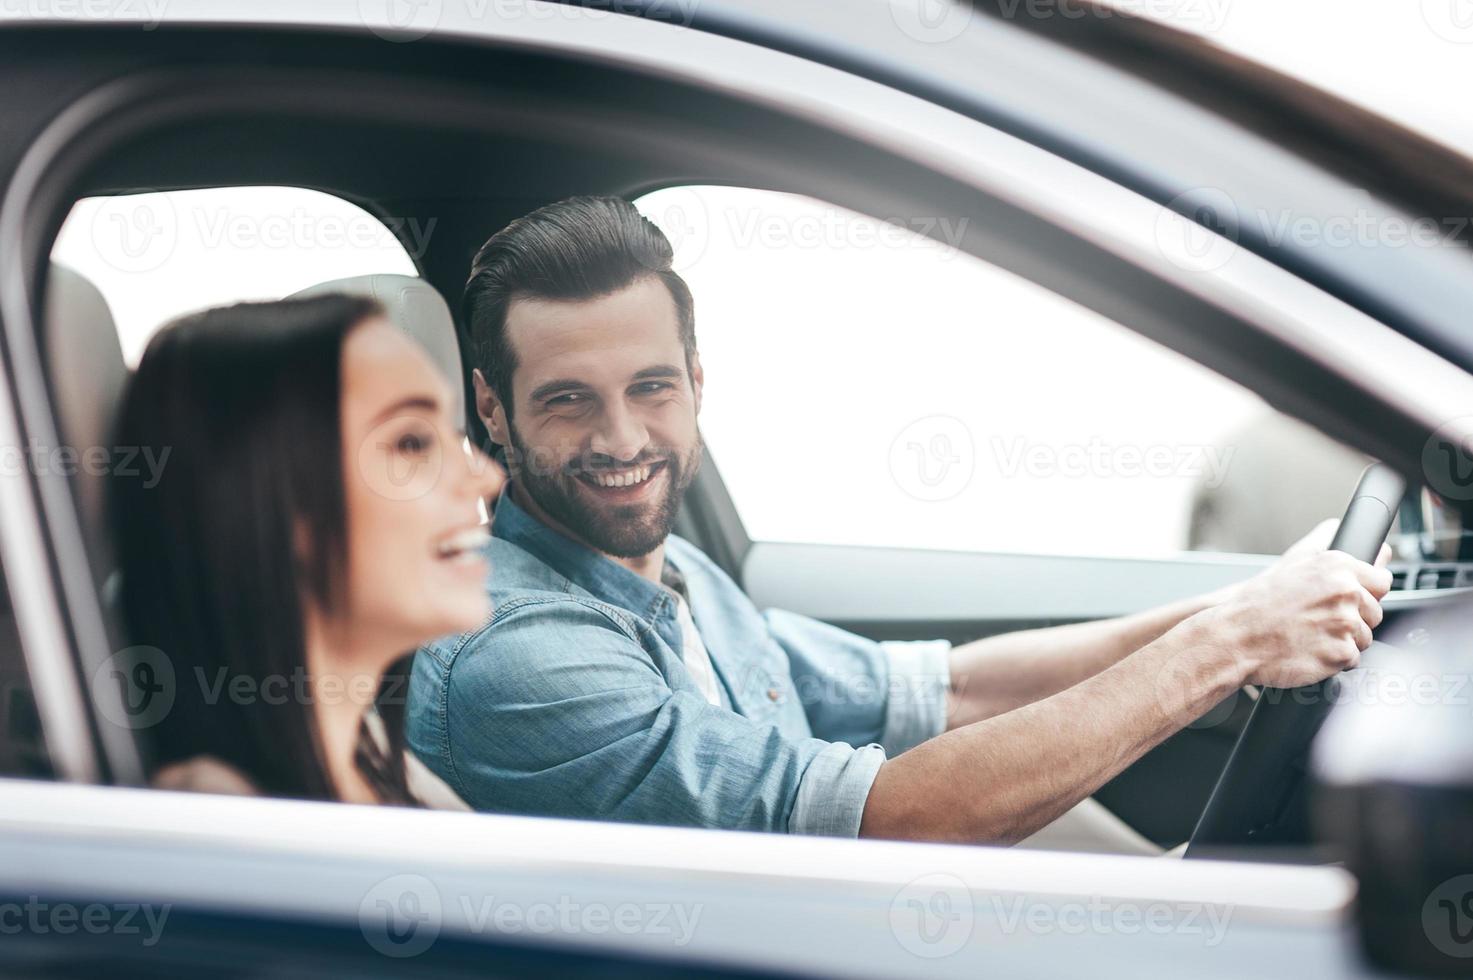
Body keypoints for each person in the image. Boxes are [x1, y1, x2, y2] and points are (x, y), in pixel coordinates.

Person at [406, 196, 1390, 841]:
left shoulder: (672, 578)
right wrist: (1228, 644)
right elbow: (898, 815)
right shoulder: (520, 653)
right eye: (569, 399)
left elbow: (947, 687)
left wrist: (1246, 606)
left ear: (698, 382)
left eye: (651, 386)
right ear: (493, 407)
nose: (622, 437)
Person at [112, 294, 504, 805]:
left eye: (455, 436)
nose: (487, 477)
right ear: (269, 501)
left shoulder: (380, 760)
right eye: (412, 442)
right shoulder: (217, 817)